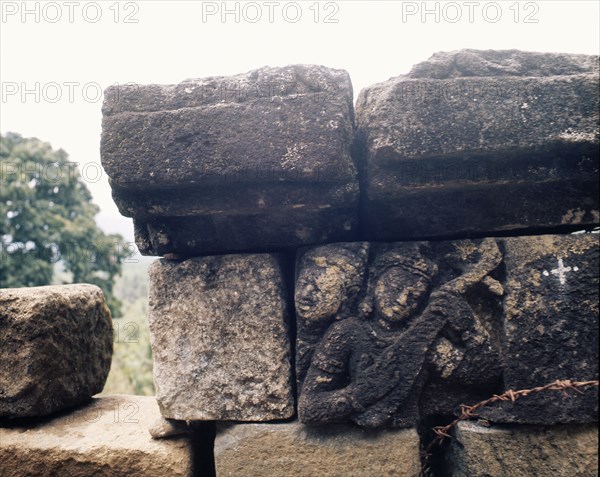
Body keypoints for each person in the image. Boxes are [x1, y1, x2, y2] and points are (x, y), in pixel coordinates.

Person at [299, 240, 503, 428]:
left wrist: (470, 327)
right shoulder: (347, 332)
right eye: (395, 287)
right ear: (373, 283)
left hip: (404, 438)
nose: (402, 300)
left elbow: (483, 376)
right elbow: (309, 409)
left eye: (415, 296)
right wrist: (357, 395)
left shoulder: (424, 338)